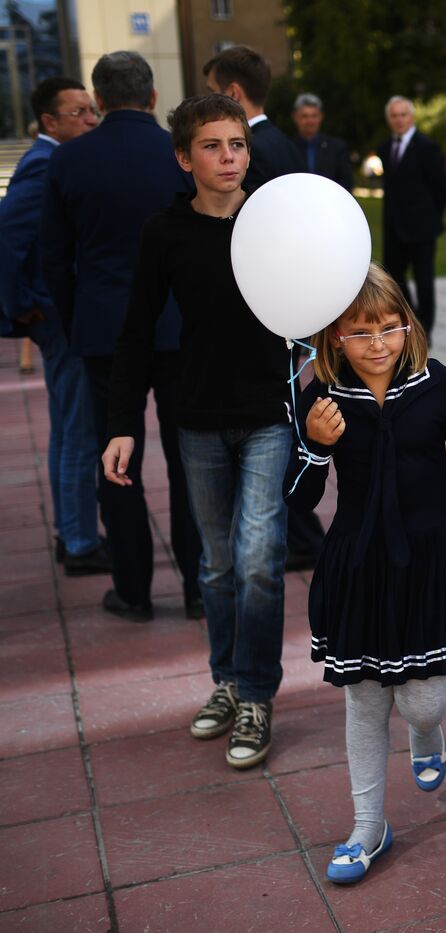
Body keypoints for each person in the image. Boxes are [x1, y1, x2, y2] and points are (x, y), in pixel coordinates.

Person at [285, 265, 446, 884]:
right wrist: (312, 444)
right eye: (363, 332)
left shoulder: (434, 384)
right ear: (335, 336)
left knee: (421, 700)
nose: (381, 343)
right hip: (359, 561)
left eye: (391, 326)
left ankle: (427, 735)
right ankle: (368, 828)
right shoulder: (320, 397)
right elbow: (300, 500)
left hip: (432, 556)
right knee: (364, 701)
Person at [102, 94, 292, 770]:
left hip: (271, 413)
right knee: (214, 565)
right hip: (198, 418)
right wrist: (123, 423)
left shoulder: (275, 218)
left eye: (237, 144)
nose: (228, 157)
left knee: (259, 559)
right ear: (184, 158)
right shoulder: (165, 233)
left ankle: (258, 695)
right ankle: (229, 681)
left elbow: (324, 299)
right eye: (211, 146)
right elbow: (134, 333)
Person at [41, 50, 203, 622]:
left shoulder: (69, 160)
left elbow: (54, 259)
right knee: (192, 461)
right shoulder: (181, 155)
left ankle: (133, 591)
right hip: (180, 327)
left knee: (116, 459)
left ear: (100, 100)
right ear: (154, 97)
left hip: (106, 331)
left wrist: (71, 319)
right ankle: (199, 590)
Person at [205, 49, 325, 570]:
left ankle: (301, 531)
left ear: (232, 93)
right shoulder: (279, 142)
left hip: (268, 308)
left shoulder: (260, 149)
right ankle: (301, 529)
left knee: (282, 423)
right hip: (282, 306)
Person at [0, 76, 109, 577]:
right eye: (79, 113)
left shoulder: (51, 161)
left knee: (69, 428)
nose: (90, 120)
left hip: (57, 314)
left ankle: (73, 532)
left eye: (91, 111)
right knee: (78, 429)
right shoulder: (44, 164)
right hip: (59, 318)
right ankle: (82, 542)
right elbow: (6, 237)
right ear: (49, 121)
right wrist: (21, 306)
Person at [376, 96, 446, 338]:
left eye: (403, 115)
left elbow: (443, 190)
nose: (399, 120)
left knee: (424, 282)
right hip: (394, 229)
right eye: (394, 116)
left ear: (412, 117)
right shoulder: (386, 148)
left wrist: (429, 216)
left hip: (422, 229)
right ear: (389, 119)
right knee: (394, 280)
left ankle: (424, 331)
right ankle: (410, 320)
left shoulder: (427, 147)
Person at [203, 46, 305, 193]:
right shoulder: (287, 144)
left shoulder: (248, 150)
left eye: (213, 92)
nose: (210, 101)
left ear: (233, 93)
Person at [293, 92, 354, 191]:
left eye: (314, 116)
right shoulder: (287, 148)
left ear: (321, 116)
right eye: (304, 116)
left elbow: (346, 182)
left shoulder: (337, 148)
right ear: (295, 117)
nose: (310, 121)